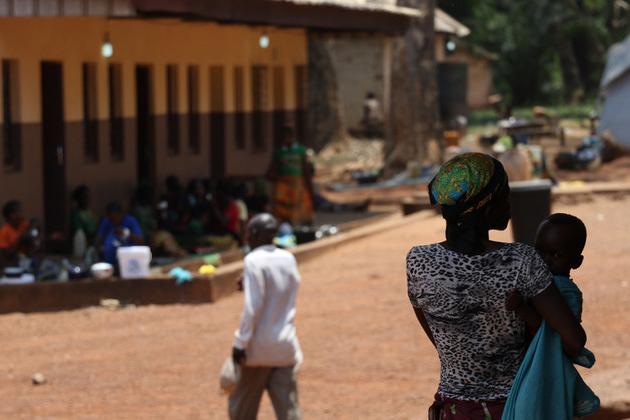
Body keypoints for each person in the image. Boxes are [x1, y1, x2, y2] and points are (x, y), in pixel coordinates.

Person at [406, 153, 586, 419]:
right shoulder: (521, 261)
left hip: (455, 409)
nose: (510, 205)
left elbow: (439, 334)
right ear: (486, 208)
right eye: (505, 197)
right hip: (517, 406)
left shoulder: (418, 261)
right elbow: (574, 341)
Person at [502, 214, 600, 419]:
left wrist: (523, 310)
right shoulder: (533, 280)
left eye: (556, 255)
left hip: (545, 367)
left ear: (576, 262)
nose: (545, 260)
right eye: (540, 251)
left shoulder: (566, 292)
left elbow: (555, 335)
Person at [230, 213, 302, 420]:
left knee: (242, 410)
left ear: (254, 234)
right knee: (289, 413)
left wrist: (240, 343)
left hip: (257, 349)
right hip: (285, 346)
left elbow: (253, 308)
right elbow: (283, 290)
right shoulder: (288, 258)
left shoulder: (253, 260)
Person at [268, 125, 313, 226]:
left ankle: (304, 229)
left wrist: (309, 187)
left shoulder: (300, 150)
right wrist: (280, 180)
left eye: (288, 136)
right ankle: (287, 228)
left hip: (298, 185)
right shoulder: (279, 152)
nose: (286, 139)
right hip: (284, 187)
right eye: (284, 137)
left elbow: (306, 170)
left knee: (303, 209)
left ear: (292, 136)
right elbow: (270, 171)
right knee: (284, 211)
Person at [0, 201, 34, 266]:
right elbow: (7, 254)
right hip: (13, 264)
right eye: (19, 212)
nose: (22, 215)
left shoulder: (24, 225)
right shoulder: (4, 231)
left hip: (28, 259)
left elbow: (32, 242)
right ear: (12, 215)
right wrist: (20, 238)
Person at [70, 185, 98, 257]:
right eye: (84, 197)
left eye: (88, 197)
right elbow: (79, 232)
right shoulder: (75, 214)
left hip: (92, 244)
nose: (87, 200)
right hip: (82, 244)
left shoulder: (89, 212)